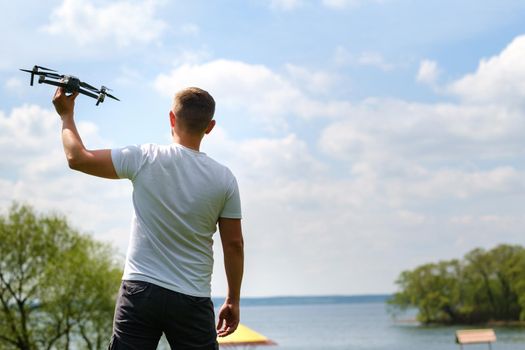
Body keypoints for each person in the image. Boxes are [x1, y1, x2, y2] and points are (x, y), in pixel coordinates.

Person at [52, 86, 244, 350]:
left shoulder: (144, 157)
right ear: (210, 126)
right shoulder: (225, 179)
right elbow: (234, 245)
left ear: (171, 119)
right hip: (192, 298)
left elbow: (77, 158)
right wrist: (233, 299)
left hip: (140, 291)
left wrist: (66, 116)